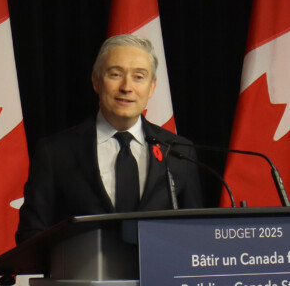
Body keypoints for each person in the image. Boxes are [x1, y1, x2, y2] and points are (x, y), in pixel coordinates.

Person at [15, 34, 202, 244]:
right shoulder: (55, 152)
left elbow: (195, 235)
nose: (126, 87)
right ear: (96, 81)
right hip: (82, 265)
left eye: (139, 77)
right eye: (115, 74)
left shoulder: (178, 151)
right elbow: (31, 235)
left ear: (152, 87)